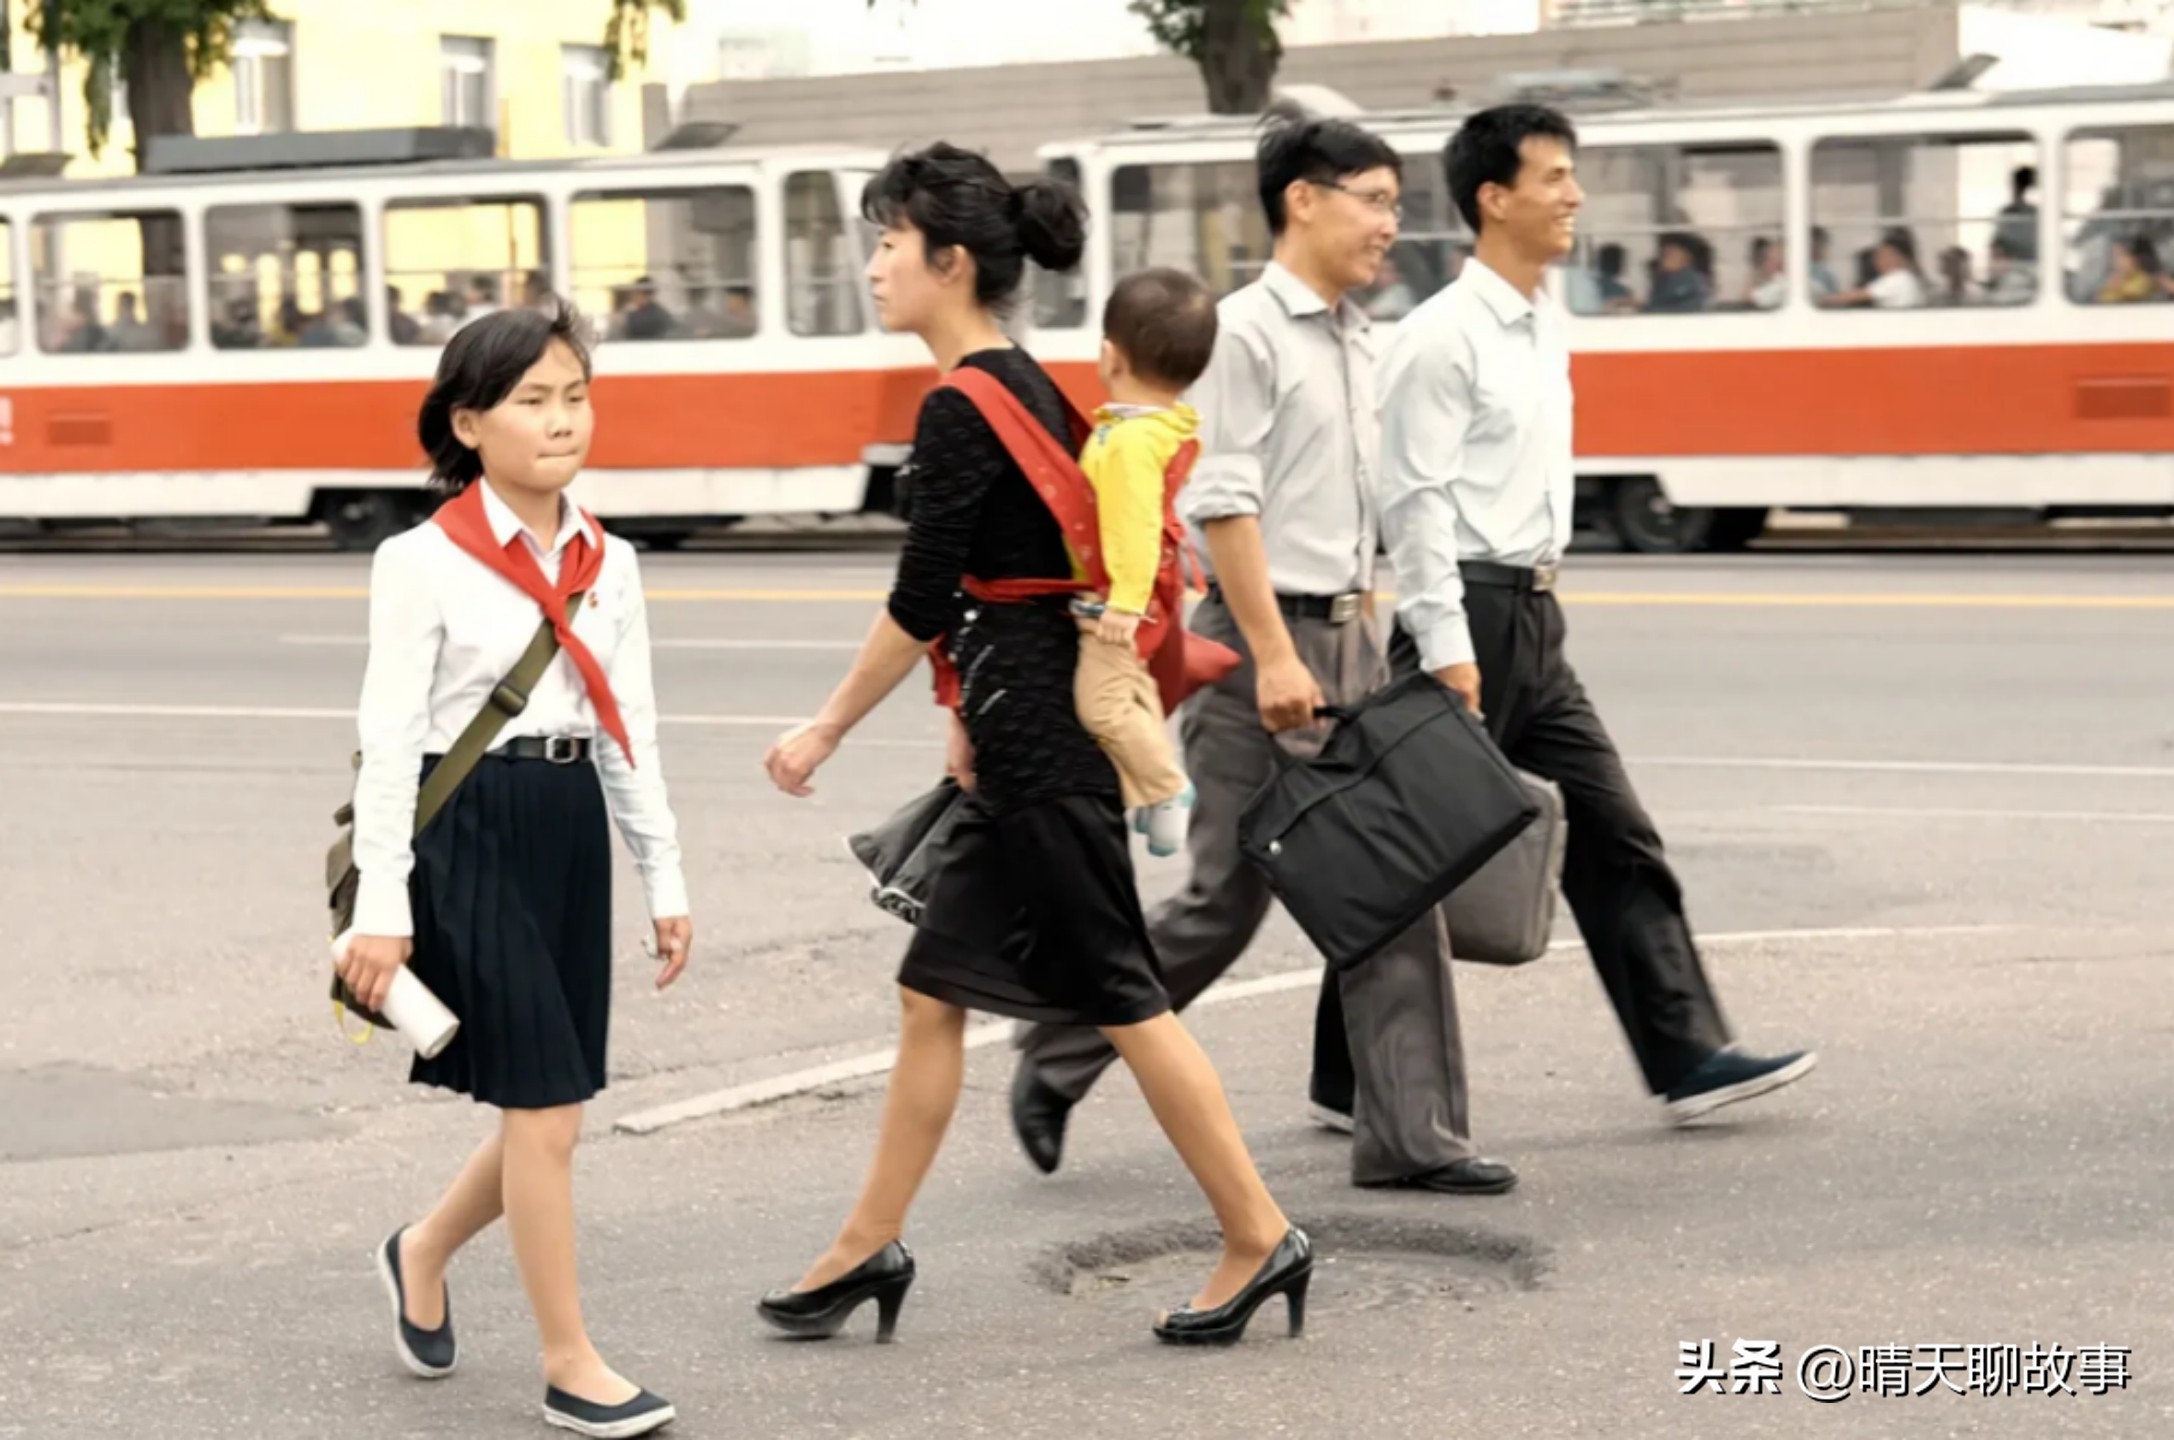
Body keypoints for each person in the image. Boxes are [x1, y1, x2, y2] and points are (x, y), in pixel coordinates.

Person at [759, 142, 1310, 1349]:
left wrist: (824, 729)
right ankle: (864, 1248)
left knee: (1120, 990)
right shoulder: (1029, 385)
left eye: (888, 244)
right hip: (1022, 730)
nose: (873, 266)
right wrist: (962, 709)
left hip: (1037, 743)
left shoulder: (963, 403)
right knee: (929, 998)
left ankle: (1257, 1232)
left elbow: (921, 600)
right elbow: (1013, 580)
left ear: (947, 261)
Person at [1008, 110, 1517, 1199]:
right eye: (1373, 199)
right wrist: (1278, 654)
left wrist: (1424, 638)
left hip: (1355, 636)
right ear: (1302, 200)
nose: (1392, 223)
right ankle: (1061, 1045)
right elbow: (1225, 504)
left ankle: (1411, 1135)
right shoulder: (1240, 332)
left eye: (1392, 202)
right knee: (1224, 899)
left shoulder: (1359, 340)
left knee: (1397, 882)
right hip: (1261, 643)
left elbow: (1390, 504)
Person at [1374, 102, 1816, 1130]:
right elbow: (1414, 503)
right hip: (1467, 619)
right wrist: (1445, 649)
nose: (1574, 195)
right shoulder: (1438, 338)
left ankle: (1687, 1053)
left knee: (1610, 836)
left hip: (1530, 615)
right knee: (1405, 867)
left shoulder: (1540, 322)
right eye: (1553, 177)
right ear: (1494, 198)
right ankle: (1347, 1079)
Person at [337, 304, 691, 1438]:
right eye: (533, 400)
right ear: (469, 423)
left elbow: (627, 725)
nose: (561, 420)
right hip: (469, 831)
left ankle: (422, 1247)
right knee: (542, 1109)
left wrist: (665, 877)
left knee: (554, 1103)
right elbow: (389, 746)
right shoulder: (419, 559)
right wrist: (380, 915)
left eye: (575, 395)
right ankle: (569, 1362)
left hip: (566, 824)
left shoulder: (611, 559)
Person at [1071, 266, 1218, 857]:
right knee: (1130, 692)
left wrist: (1125, 603)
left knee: (1100, 704)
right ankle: (1151, 797)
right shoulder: (1146, 428)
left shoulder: (1132, 441)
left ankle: (1165, 789)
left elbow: (1133, 524)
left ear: (1111, 355)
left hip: (1115, 599)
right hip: (1129, 595)